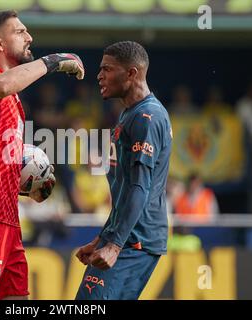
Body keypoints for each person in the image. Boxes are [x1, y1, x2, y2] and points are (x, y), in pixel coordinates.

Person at [0, 10, 85, 300]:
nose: (29, 37)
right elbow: (2, 85)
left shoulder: (12, 99)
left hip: (7, 219)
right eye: (21, 32)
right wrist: (53, 62)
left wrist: (28, 182)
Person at [75, 41, 172, 300]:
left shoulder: (146, 118)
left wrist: (115, 245)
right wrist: (103, 238)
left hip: (134, 241)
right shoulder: (130, 115)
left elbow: (140, 187)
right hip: (126, 237)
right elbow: (124, 193)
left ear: (132, 74)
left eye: (107, 69)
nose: (99, 75)